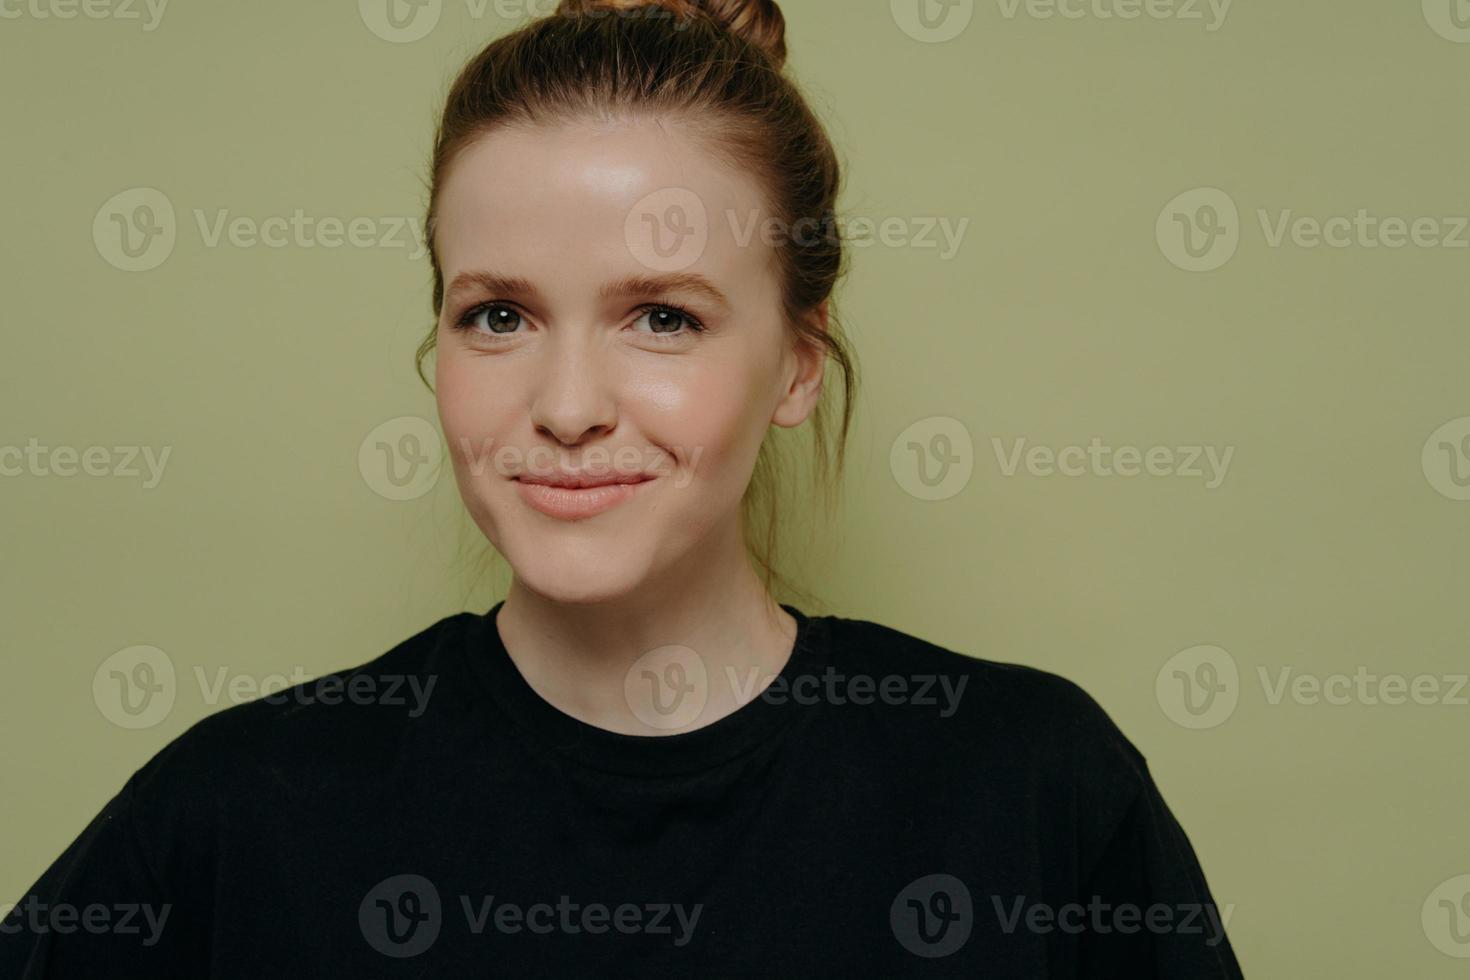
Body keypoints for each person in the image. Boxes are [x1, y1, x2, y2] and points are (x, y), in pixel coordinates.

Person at [0, 1, 1244, 975]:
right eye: (499, 314)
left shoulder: (1032, 788)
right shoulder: (243, 808)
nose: (567, 402)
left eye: (662, 315)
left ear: (797, 365)